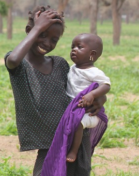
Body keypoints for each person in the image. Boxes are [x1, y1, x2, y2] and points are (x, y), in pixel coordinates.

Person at [4, 6, 107, 176]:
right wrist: (38, 27)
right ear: (29, 31)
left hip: (76, 138)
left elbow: (83, 89)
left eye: (54, 39)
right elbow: (13, 60)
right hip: (49, 143)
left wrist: (99, 100)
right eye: (42, 34)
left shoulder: (59, 64)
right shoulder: (21, 66)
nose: (47, 43)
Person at [41, 33, 110, 175]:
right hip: (75, 110)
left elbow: (106, 85)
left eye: (79, 47)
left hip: (88, 113)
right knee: (72, 123)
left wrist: (92, 94)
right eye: (72, 46)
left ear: (92, 54)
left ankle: (73, 151)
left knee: (77, 123)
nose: (74, 50)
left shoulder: (93, 72)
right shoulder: (72, 68)